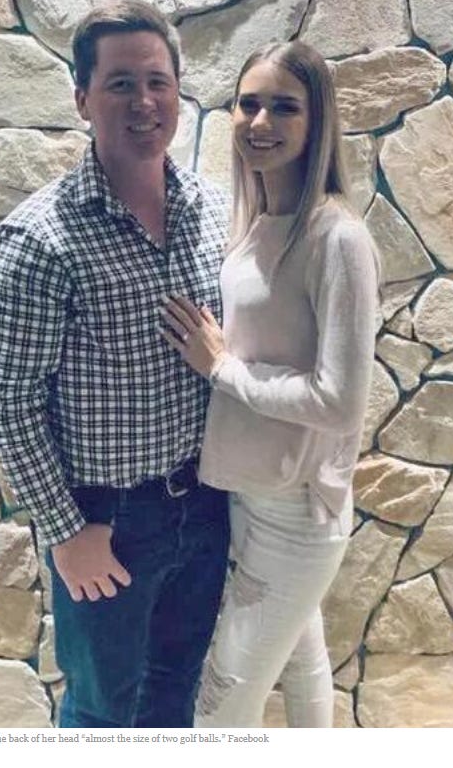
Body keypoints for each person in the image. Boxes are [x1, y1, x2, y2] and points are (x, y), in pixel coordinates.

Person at [0, 0, 231, 728]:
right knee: (100, 713)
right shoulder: (40, 239)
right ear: (82, 99)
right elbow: (9, 404)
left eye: (157, 82)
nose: (143, 101)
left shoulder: (213, 211)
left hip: (207, 505)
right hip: (108, 523)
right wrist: (66, 531)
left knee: (174, 695)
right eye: (120, 83)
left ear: (178, 93)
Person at [159, 40, 378, 727]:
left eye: (285, 107)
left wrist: (224, 369)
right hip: (250, 494)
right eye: (248, 103)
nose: (260, 121)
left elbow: (340, 401)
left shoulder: (336, 237)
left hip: (299, 511)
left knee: (220, 706)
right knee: (302, 666)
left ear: (317, 122)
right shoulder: (255, 224)